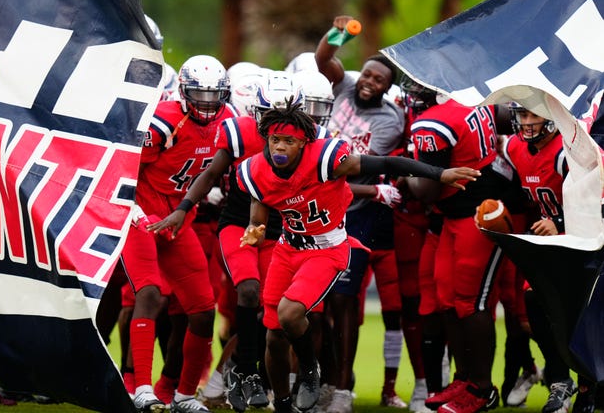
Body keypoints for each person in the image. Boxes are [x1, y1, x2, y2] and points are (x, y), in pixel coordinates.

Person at [236, 100, 480, 413]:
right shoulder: (256, 169)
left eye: (289, 141)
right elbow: (259, 212)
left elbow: (389, 164)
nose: (280, 147)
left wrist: (439, 172)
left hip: (326, 249)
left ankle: (310, 369)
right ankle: (283, 404)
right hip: (288, 248)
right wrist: (254, 229)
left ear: (305, 143)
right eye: (275, 140)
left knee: (289, 314)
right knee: (273, 337)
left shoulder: (328, 160)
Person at [154, 70, 309, 412]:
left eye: (283, 117)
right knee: (248, 291)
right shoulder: (239, 132)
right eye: (268, 115)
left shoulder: (309, 140)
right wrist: (183, 208)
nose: (275, 125)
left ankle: (258, 375)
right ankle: (249, 374)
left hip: (280, 231)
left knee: (278, 311)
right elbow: (209, 173)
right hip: (238, 224)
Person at [123, 54, 238, 413]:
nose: (206, 104)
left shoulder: (229, 121)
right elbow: (125, 165)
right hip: (143, 211)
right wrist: (134, 209)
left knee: (203, 311)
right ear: (183, 92)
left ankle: (183, 394)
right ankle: (141, 388)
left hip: (180, 218)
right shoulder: (163, 121)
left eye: (213, 96)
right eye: (198, 95)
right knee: (150, 294)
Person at [399, 74, 514, 413]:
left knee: (470, 302)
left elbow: (427, 192)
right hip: (455, 215)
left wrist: (405, 168)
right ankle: (463, 380)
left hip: (474, 215)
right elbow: (504, 118)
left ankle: (481, 389)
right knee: (449, 299)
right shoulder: (470, 100)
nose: (413, 95)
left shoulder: (432, 123)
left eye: (419, 88)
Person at [314, 14, 409, 412]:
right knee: (314, 302)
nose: (369, 82)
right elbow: (323, 60)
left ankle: (340, 390)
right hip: (316, 209)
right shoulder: (345, 85)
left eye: (379, 81)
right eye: (368, 75)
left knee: (344, 300)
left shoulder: (389, 120)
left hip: (354, 212)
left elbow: (345, 173)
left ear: (387, 89)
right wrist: (337, 33)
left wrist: (363, 188)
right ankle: (324, 376)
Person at [500, 103, 590, 413]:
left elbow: (595, 198)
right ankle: (560, 380)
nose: (526, 122)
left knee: (580, 316)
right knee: (534, 303)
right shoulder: (514, 147)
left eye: (533, 115)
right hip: (551, 247)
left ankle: (587, 387)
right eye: (522, 115)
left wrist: (561, 223)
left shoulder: (568, 151)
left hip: (584, 241)